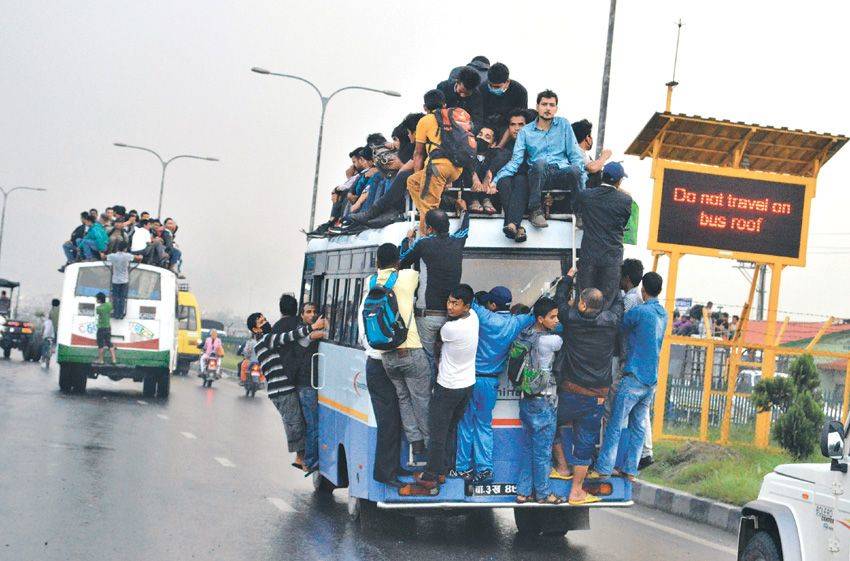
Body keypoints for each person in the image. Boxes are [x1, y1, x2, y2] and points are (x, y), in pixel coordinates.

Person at [551, 269, 623, 505]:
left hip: (570, 391)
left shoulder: (570, 319)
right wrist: (614, 281)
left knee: (549, 423)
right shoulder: (611, 321)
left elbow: (560, 300)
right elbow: (619, 304)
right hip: (597, 397)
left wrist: (569, 277)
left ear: (581, 304)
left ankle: (561, 466)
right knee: (585, 442)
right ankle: (576, 491)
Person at [592, 272, 667, 481]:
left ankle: (604, 467)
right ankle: (630, 470)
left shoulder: (640, 312)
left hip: (633, 375)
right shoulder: (664, 314)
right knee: (638, 427)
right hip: (651, 380)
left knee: (615, 424)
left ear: (643, 290)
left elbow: (620, 326)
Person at [456, 286, 535, 483]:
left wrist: (477, 296)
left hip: (469, 379)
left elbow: (468, 302)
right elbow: (535, 315)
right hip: (491, 382)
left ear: (492, 304)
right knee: (484, 425)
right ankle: (485, 469)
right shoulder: (516, 322)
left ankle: (463, 468)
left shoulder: (482, 315)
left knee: (465, 424)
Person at [414, 284, 479, 490]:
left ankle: (430, 475)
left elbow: (435, 341)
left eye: (455, 304)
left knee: (438, 433)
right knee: (450, 430)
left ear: (466, 306)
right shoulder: (474, 318)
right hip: (467, 385)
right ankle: (443, 470)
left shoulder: (451, 329)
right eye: (449, 302)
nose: (450, 307)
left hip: (448, 387)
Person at [492, 90, 587, 229]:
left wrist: (582, 178)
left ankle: (580, 213)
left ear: (556, 108)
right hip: (538, 174)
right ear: (537, 107)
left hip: (561, 171)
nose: (548, 108)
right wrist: (495, 180)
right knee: (540, 163)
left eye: (551, 105)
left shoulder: (564, 125)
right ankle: (535, 210)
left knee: (574, 169)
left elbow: (575, 155)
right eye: (544, 104)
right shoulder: (525, 131)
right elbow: (516, 161)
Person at [248, 309, 326, 471]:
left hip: (281, 390)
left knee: (295, 422)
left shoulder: (263, 342)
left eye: (265, 319)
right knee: (296, 423)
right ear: (255, 330)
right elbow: (288, 336)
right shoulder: (266, 340)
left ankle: (301, 458)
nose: (266, 323)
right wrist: (312, 328)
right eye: (261, 323)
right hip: (282, 390)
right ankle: (302, 460)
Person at [400, 201, 470, 381]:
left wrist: (407, 240)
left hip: (428, 315)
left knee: (428, 358)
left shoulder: (423, 244)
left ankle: (429, 393)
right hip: (452, 315)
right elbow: (465, 228)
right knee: (449, 358)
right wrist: (464, 210)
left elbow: (402, 261)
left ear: (429, 229)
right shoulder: (458, 241)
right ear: (447, 226)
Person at [374, 243, 431, 462]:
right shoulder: (406, 277)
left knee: (404, 399)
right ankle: (429, 446)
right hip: (410, 349)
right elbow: (412, 262)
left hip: (387, 353)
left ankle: (415, 444)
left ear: (377, 263)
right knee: (422, 400)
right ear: (397, 262)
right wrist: (407, 245)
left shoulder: (372, 282)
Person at [514, 297, 563, 504]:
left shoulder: (523, 335)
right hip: (544, 402)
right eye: (552, 317)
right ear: (541, 319)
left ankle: (523, 492)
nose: (556, 320)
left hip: (526, 399)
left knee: (528, 449)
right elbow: (564, 335)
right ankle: (543, 494)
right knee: (543, 452)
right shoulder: (552, 341)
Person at [359, 284, 407, 488]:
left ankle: (393, 467)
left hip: (375, 362)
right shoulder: (393, 297)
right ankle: (385, 472)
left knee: (392, 418)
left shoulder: (367, 301)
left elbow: (363, 338)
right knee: (389, 420)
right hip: (386, 363)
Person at [407, 89, 472, 235]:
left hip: (437, 167)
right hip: (457, 168)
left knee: (428, 208)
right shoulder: (455, 118)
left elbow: (418, 153)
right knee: (412, 181)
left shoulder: (425, 120)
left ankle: (426, 238)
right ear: (444, 104)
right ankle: (434, 213)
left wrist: (423, 176)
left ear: (425, 108)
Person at [574, 162, 633, 310]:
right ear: (619, 181)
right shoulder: (625, 201)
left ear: (602, 176)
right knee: (606, 303)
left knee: (583, 299)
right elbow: (623, 222)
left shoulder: (586, 195)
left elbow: (577, 209)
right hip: (611, 259)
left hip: (589, 256)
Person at [495, 110, 531, 242]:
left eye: (521, 124)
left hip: (528, 190)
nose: (517, 128)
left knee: (521, 179)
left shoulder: (533, 144)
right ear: (508, 128)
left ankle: (511, 223)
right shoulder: (504, 147)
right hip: (507, 191)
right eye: (513, 124)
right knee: (503, 181)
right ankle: (516, 226)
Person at [295, 302, 321, 474]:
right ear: (302, 315)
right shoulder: (300, 331)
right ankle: (309, 460)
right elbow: (308, 339)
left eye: (313, 312)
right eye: (307, 312)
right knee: (312, 424)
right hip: (305, 384)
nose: (311, 314)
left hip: (311, 383)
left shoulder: (309, 329)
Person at [479, 62, 529, 133]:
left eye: (497, 87)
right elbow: (478, 115)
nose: (493, 89)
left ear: (507, 82)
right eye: (490, 85)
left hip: (509, 129)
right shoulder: (482, 89)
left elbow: (520, 119)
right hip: (485, 128)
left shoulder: (520, 92)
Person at [571, 119, 612, 188]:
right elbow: (592, 168)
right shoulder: (576, 153)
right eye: (590, 136)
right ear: (587, 138)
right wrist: (604, 156)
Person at [106, 241, 139, 320]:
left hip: (115, 280)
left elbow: (104, 257)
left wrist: (101, 253)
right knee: (122, 298)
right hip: (124, 280)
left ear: (117, 248)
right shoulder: (127, 256)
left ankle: (115, 313)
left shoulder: (113, 256)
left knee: (115, 297)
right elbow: (138, 258)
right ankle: (121, 314)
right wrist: (140, 256)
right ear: (125, 248)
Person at [94, 292, 117, 364]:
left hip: (101, 328)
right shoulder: (109, 305)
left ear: (99, 300)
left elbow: (98, 313)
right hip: (108, 327)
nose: (96, 300)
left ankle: (101, 360)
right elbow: (111, 308)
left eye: (97, 299)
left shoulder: (98, 308)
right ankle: (114, 359)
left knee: (100, 344)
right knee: (109, 343)